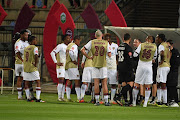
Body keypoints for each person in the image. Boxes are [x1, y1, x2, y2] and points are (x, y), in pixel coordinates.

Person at [81, 29, 111, 106]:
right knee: (104, 83)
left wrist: (89, 57)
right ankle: (106, 101)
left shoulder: (92, 42)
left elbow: (82, 50)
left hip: (94, 64)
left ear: (95, 36)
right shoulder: (106, 43)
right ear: (102, 35)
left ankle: (97, 101)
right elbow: (110, 54)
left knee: (96, 82)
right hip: (103, 64)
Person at [133, 36, 157, 107]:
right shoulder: (154, 46)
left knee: (137, 83)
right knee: (147, 85)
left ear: (147, 39)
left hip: (141, 66)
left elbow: (135, 54)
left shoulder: (142, 45)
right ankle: (145, 103)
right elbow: (155, 57)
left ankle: (134, 102)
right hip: (149, 67)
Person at [114, 33, 134, 106]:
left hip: (120, 66)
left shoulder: (119, 47)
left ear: (123, 38)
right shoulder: (128, 48)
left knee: (124, 83)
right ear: (130, 39)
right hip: (127, 67)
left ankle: (126, 101)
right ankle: (118, 96)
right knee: (131, 84)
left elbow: (117, 56)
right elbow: (130, 59)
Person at [24, 36, 44, 102]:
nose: (36, 41)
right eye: (35, 40)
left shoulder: (26, 48)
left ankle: (28, 98)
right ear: (33, 41)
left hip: (26, 67)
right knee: (38, 81)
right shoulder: (34, 48)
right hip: (32, 67)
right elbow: (36, 55)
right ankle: (38, 98)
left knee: (26, 82)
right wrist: (36, 63)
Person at [50, 34, 71, 101]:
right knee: (61, 80)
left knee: (64, 81)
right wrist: (56, 62)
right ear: (64, 39)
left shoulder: (69, 47)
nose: (69, 39)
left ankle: (62, 96)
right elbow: (52, 52)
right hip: (60, 66)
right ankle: (59, 96)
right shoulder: (60, 46)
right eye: (67, 38)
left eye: (69, 38)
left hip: (66, 66)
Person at [156, 34, 171, 107]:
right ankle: (160, 100)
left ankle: (163, 101)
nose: (156, 39)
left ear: (160, 38)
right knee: (160, 82)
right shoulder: (167, 45)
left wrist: (162, 60)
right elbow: (170, 53)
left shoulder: (161, 45)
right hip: (167, 65)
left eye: (157, 37)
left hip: (163, 66)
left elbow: (162, 53)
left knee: (162, 83)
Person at [14, 29, 29, 100]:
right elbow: (17, 52)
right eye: (26, 35)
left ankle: (27, 95)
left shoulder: (27, 43)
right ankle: (19, 96)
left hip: (26, 63)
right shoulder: (18, 42)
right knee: (20, 78)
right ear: (21, 35)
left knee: (26, 78)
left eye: (27, 35)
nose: (27, 36)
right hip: (19, 63)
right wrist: (22, 60)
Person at [65, 36, 81, 102]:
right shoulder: (74, 46)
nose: (79, 42)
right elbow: (71, 52)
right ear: (76, 40)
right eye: (79, 40)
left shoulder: (69, 45)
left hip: (68, 65)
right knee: (77, 80)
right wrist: (74, 60)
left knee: (69, 80)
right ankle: (79, 98)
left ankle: (68, 97)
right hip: (72, 65)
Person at [104, 33, 118, 104]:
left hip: (113, 67)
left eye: (108, 38)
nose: (107, 40)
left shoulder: (115, 46)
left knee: (113, 84)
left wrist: (117, 65)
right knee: (104, 83)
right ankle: (103, 98)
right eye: (105, 38)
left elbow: (117, 56)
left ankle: (112, 99)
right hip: (105, 66)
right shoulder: (103, 45)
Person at [166, 40, 180, 107]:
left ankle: (175, 100)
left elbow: (177, 62)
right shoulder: (167, 52)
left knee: (173, 85)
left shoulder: (175, 52)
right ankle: (169, 100)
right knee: (168, 85)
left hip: (173, 71)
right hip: (168, 71)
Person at [149, 36, 158, 105]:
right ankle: (149, 97)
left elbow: (154, 58)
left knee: (154, 82)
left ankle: (153, 98)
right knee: (150, 82)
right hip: (149, 66)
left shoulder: (154, 46)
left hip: (153, 66)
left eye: (148, 39)